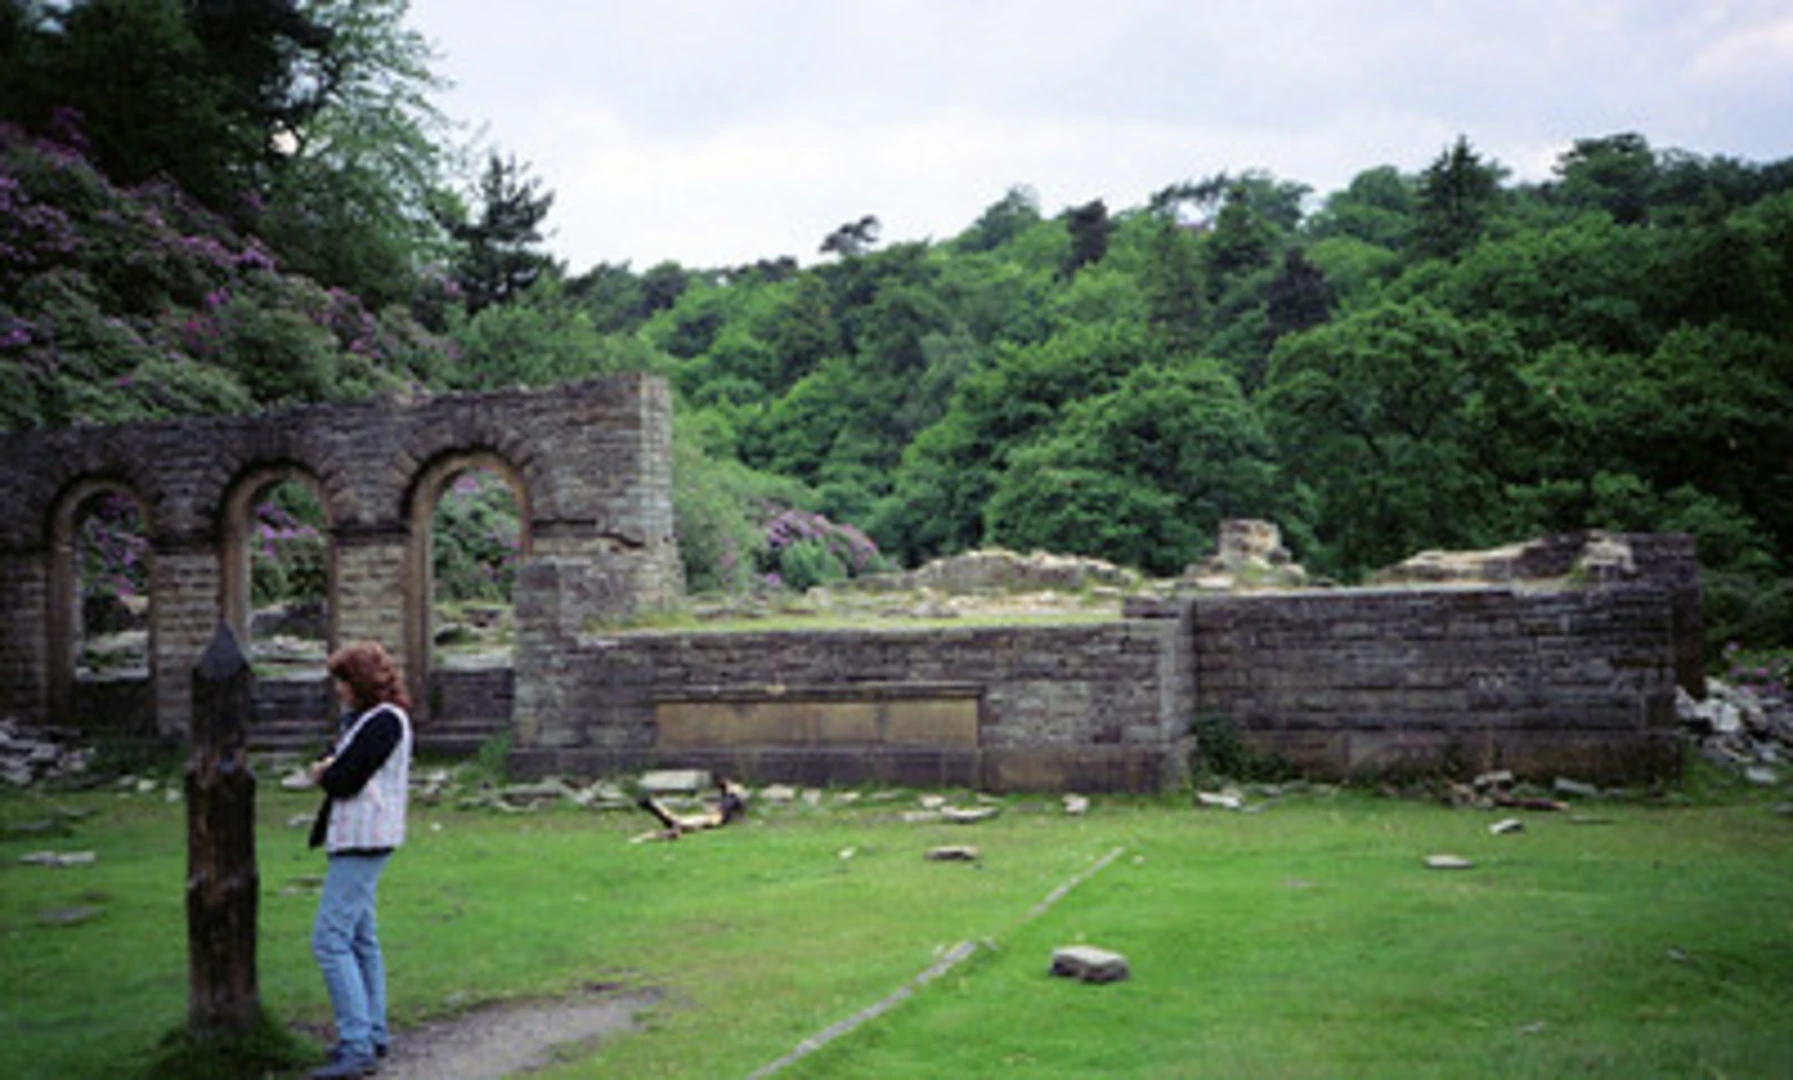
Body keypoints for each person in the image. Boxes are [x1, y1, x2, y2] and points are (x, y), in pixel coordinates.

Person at [306, 641, 413, 1079]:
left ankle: (356, 1044)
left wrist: (323, 773)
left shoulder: (383, 722)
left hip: (364, 839)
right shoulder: (374, 720)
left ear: (360, 682)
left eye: (343, 681)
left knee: (329, 940)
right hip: (362, 837)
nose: (338, 690)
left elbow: (346, 779)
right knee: (360, 939)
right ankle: (372, 1031)